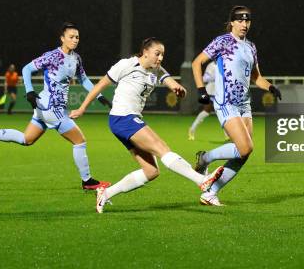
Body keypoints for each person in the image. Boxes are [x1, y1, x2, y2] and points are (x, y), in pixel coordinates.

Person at [70, 37, 224, 214]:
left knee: (151, 171)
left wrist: (176, 86)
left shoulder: (155, 69)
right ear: (145, 52)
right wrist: (82, 108)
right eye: (157, 54)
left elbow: (166, 78)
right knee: (162, 148)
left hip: (126, 121)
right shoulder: (126, 64)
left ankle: (105, 194)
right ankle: (201, 180)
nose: (160, 58)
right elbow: (100, 86)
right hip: (123, 118)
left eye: (162, 55)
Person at [0, 22, 111, 190]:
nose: (75, 40)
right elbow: (26, 69)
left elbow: (83, 79)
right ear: (62, 38)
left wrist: (99, 96)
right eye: (71, 37)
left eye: (77, 37)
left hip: (45, 107)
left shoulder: (76, 58)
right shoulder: (52, 56)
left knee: (27, 139)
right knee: (80, 141)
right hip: (51, 107)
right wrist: (29, 91)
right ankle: (87, 181)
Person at [191, 6, 282, 207]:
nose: (244, 24)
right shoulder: (223, 41)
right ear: (232, 22)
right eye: (240, 20)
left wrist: (270, 87)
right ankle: (206, 158)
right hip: (226, 102)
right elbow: (197, 63)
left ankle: (210, 193)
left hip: (244, 104)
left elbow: (256, 77)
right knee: (245, 146)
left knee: (245, 152)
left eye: (247, 20)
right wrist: (201, 89)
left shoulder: (251, 46)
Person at [187, 60, 227, 141]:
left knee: (222, 113)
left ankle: (228, 135)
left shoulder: (225, 64)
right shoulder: (211, 65)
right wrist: (213, 77)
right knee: (206, 111)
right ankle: (192, 129)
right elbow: (204, 78)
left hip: (219, 92)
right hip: (209, 91)